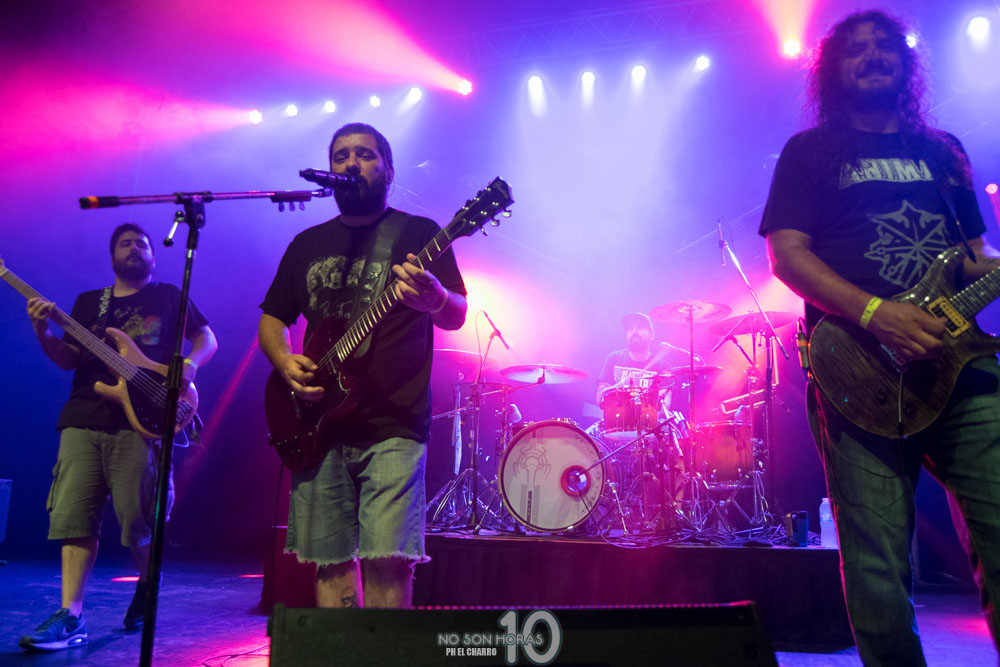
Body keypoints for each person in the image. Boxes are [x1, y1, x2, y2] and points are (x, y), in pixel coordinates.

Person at [760, 10, 1000, 665]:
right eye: (857, 49)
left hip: (963, 369)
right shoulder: (811, 152)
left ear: (906, 63)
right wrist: (875, 313)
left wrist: (992, 265)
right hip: (859, 374)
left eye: (884, 46)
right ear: (833, 70)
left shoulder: (944, 151)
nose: (872, 56)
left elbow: (973, 255)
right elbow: (786, 254)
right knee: (876, 573)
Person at [258, 122, 467, 608]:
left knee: (387, 561)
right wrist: (284, 361)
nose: (352, 163)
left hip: (393, 422)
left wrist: (436, 299)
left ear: (389, 170)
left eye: (366, 155)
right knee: (330, 565)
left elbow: (456, 314)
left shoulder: (418, 233)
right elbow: (272, 319)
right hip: (318, 423)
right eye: (341, 156)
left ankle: (382, 649)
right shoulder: (306, 243)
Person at [19, 223, 218, 651]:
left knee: (137, 520)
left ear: (153, 255)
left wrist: (191, 365)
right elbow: (69, 360)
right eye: (125, 243)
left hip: (142, 419)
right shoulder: (90, 303)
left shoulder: (169, 296)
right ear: (112, 256)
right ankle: (71, 615)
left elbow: (207, 337)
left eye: (141, 243)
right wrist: (42, 333)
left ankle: (148, 581)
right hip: (83, 416)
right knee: (75, 516)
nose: (134, 248)